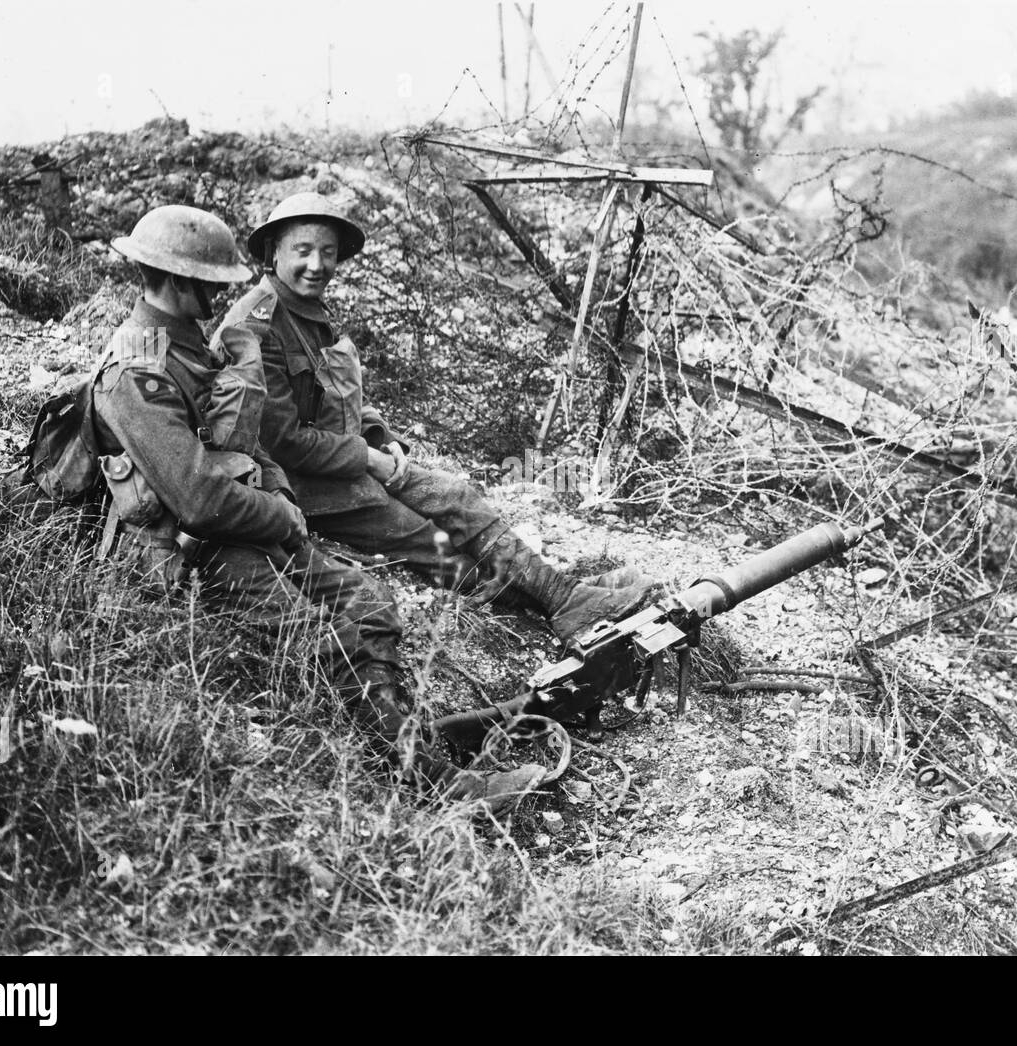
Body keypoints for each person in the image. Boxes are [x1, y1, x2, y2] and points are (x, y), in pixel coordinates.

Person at [94, 204, 543, 811]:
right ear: (179, 281)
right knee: (322, 636)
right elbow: (197, 499)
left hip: (242, 521)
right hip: (184, 549)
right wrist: (281, 516)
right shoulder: (137, 372)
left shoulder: (194, 347)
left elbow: (249, 443)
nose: (224, 293)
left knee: (372, 603)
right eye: (213, 282)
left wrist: (276, 495)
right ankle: (433, 789)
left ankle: (402, 740)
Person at [215, 192, 657, 644]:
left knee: (456, 495)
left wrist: (380, 436)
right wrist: (367, 459)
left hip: (339, 461)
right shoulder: (259, 325)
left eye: (327, 253)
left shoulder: (307, 310)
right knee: (426, 536)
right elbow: (282, 441)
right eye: (303, 251)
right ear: (273, 253)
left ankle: (564, 596)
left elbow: (337, 395)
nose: (317, 264)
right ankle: (552, 601)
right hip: (293, 484)